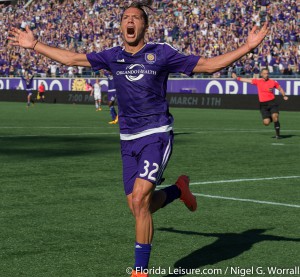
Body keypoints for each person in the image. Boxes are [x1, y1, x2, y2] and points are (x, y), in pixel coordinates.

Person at [8, 1, 268, 276]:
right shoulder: (112, 56)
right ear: (121, 26)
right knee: (137, 205)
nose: (129, 21)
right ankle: (179, 190)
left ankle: (140, 272)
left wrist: (248, 47)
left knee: (142, 197)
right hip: (127, 138)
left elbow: (208, 65)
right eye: (125, 18)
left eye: (135, 18)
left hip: (156, 134)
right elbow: (72, 59)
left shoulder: (162, 53)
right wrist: (34, 44)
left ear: (145, 26)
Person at [232, 69, 288, 139]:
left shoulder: (273, 82)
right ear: (261, 74)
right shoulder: (258, 81)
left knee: (275, 117)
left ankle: (278, 135)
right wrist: (237, 78)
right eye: (264, 73)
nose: (266, 75)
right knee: (266, 123)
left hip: (272, 103)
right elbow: (247, 80)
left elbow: (280, 89)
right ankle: (271, 118)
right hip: (263, 105)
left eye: (267, 73)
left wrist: (284, 95)